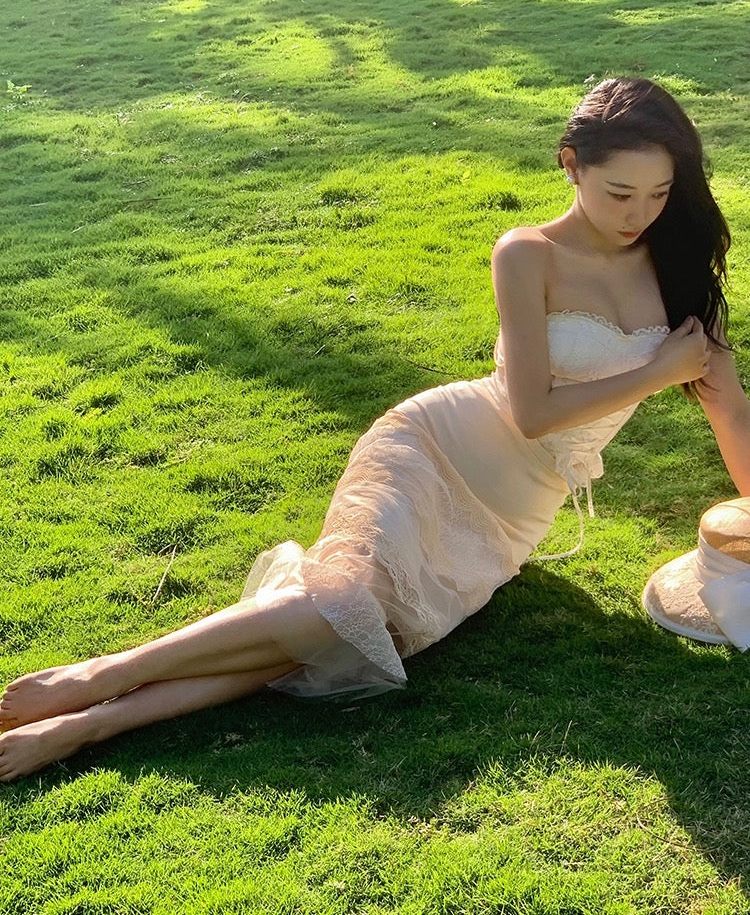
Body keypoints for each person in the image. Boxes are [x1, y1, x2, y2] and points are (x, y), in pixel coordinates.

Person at [2, 77, 749, 782]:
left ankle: (90, 724)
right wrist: (659, 370)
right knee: (342, 602)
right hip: (433, 447)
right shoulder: (529, 253)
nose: (638, 213)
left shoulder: (680, 273)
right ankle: (94, 683)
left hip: (510, 521)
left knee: (343, 630)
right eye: (620, 192)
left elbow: (733, 419)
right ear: (571, 165)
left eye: (659, 193)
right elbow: (531, 412)